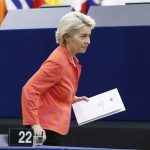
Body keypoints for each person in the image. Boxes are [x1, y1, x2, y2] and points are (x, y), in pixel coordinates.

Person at [21, 11, 95, 146]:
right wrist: (35, 125)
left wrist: (73, 98)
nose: (88, 41)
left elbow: (53, 90)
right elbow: (29, 90)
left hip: (54, 128)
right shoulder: (58, 61)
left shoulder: (70, 59)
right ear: (67, 37)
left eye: (89, 36)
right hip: (44, 131)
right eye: (83, 36)